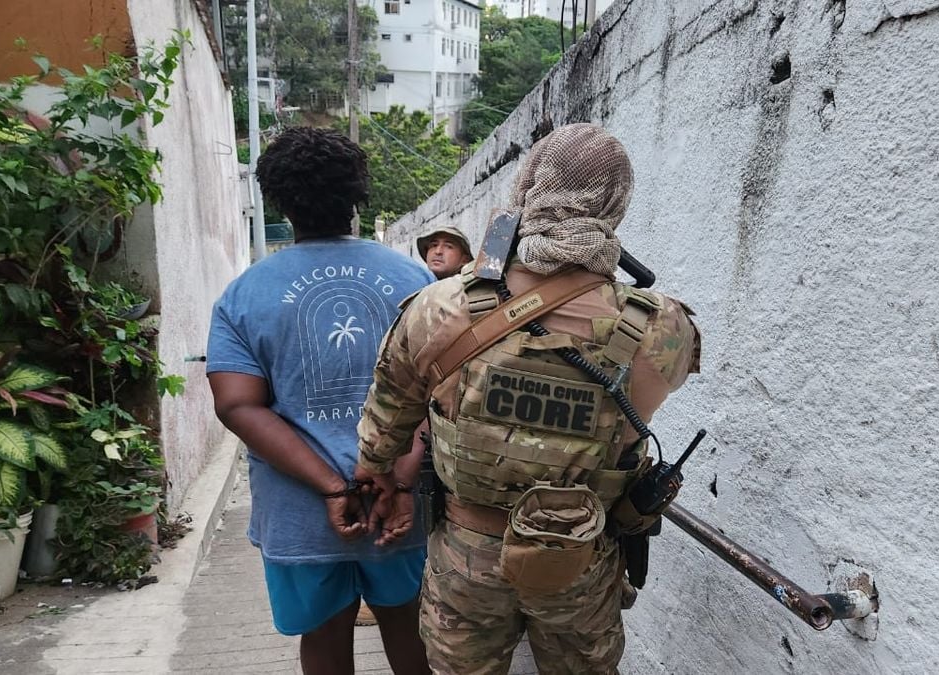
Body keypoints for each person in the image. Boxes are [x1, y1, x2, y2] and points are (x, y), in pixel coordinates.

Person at [355, 123, 701, 674]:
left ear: (527, 192)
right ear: (616, 205)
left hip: (466, 560)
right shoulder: (664, 328)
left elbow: (387, 417)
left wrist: (377, 473)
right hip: (581, 562)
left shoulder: (439, 307)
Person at [205, 127, 433, 675]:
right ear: (358, 196)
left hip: (300, 512)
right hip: (401, 504)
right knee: (413, 633)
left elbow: (237, 405)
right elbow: (440, 394)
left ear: (276, 200)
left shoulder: (244, 295)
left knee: (325, 640)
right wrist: (397, 480)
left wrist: (333, 487)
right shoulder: (417, 280)